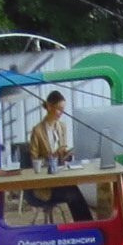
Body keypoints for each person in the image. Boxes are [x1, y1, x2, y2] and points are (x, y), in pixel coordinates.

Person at [22, 90, 92, 223]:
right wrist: (50, 158)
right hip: (44, 185)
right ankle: (86, 228)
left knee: (73, 190)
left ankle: (86, 227)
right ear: (49, 106)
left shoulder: (62, 127)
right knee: (73, 194)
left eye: (63, 109)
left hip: (60, 178)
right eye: (59, 109)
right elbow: (34, 161)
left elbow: (62, 151)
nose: (61, 113)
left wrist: (67, 154)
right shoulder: (37, 131)